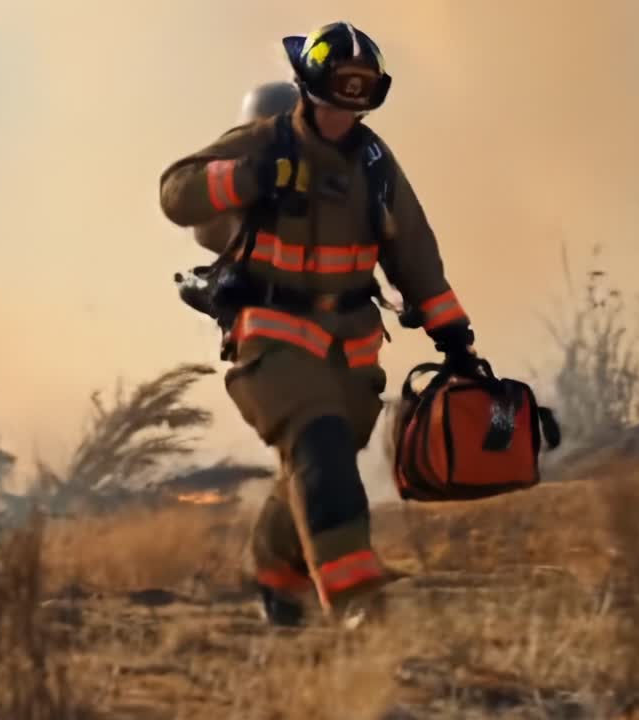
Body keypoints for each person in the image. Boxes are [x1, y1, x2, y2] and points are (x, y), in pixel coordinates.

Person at [158, 21, 477, 627]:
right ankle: (356, 602)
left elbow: (415, 254)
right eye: (336, 91)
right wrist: (248, 178)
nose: (345, 109)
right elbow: (176, 194)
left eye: (360, 94)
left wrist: (454, 337)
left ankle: (276, 574)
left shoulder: (378, 164)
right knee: (319, 445)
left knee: (315, 462)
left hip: (351, 352)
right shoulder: (262, 142)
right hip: (270, 337)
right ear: (310, 86)